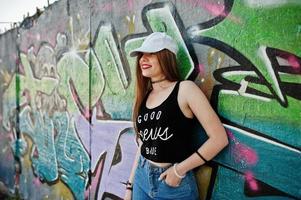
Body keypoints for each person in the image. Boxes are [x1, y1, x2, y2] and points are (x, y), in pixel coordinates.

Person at [124, 32, 229, 200]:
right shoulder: (144, 97)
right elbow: (143, 144)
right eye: (142, 54)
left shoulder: (185, 90)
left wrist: (179, 170)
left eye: (151, 53)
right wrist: (129, 187)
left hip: (173, 186)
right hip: (142, 178)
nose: (143, 58)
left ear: (166, 57)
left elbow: (219, 138)